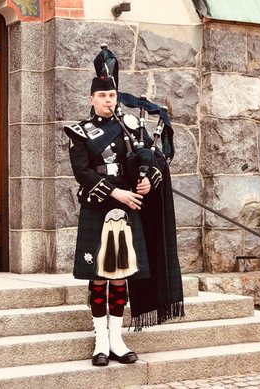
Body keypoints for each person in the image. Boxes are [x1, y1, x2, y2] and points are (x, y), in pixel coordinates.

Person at [64, 48, 184, 367]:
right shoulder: (81, 133)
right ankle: (100, 340)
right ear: (92, 99)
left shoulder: (132, 127)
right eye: (102, 95)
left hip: (128, 212)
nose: (108, 100)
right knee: (99, 277)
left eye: (112, 94)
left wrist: (148, 182)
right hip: (100, 209)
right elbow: (83, 173)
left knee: (120, 277)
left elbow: (154, 159)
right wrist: (117, 193)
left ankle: (117, 339)